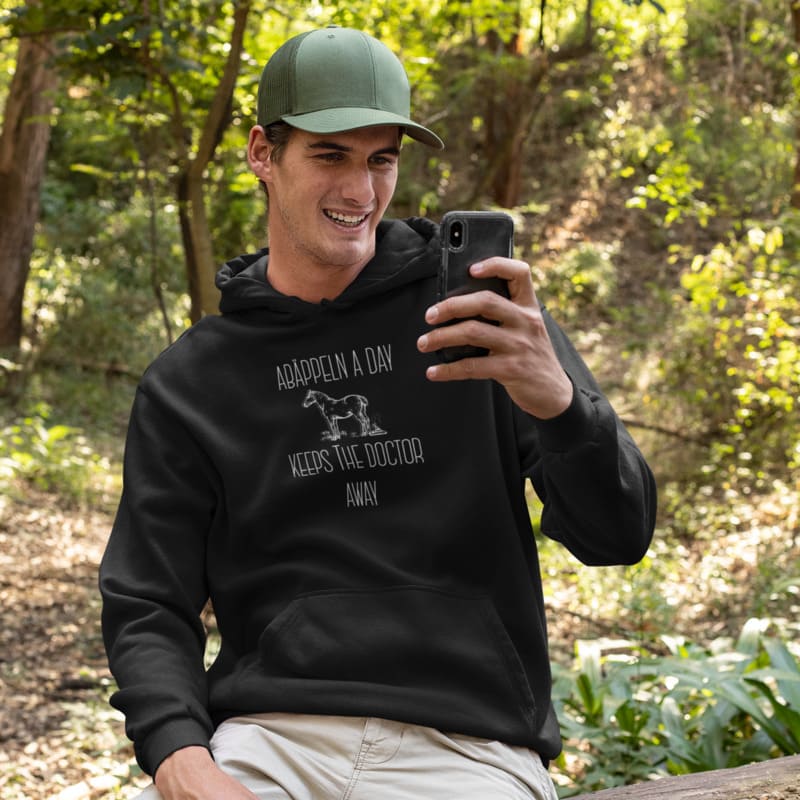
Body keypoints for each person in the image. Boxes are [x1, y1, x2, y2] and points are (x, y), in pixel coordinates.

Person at [100, 25, 657, 800]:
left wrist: (560, 404)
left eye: (381, 160)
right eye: (331, 156)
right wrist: (180, 759)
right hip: (269, 738)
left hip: (469, 748)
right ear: (263, 153)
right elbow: (148, 600)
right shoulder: (192, 382)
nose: (360, 192)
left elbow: (618, 537)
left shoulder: (481, 322)